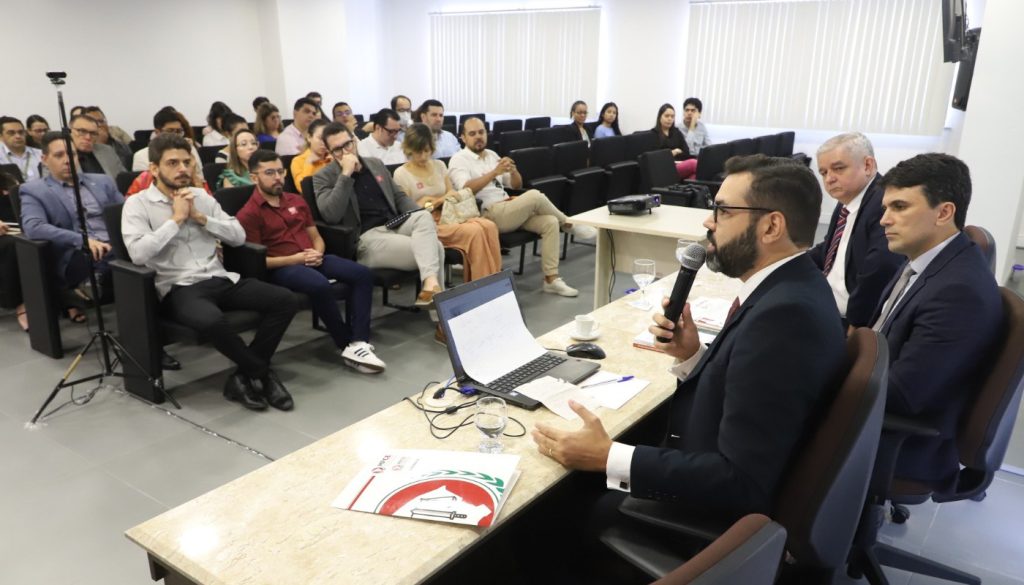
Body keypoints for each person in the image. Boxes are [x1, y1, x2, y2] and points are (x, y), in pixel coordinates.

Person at [533, 154, 846, 526]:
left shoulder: (785, 318)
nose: (708, 221)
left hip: (714, 517)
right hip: (711, 460)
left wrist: (608, 457)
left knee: (551, 508)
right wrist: (693, 355)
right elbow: (753, 395)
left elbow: (741, 480)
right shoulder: (793, 287)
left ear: (771, 226)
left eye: (723, 211)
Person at [122, 134, 298, 411]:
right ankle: (263, 373)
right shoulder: (137, 204)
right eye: (172, 163)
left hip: (219, 277)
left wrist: (200, 218)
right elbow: (138, 253)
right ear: (154, 169)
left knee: (285, 300)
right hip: (179, 287)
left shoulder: (201, 196)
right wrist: (176, 219)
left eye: (186, 162)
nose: (182, 168)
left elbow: (238, 236)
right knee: (213, 321)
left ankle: (243, 376)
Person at [872, 153, 1002, 489]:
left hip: (899, 443)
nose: (884, 219)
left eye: (899, 207)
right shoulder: (928, 257)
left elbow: (902, 395)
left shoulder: (959, 292)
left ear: (944, 212)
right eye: (886, 207)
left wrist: (819, 374)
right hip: (876, 411)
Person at [237, 150, 385, 374]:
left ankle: (358, 342)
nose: (277, 177)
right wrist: (296, 259)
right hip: (283, 266)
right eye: (269, 173)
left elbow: (315, 236)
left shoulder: (296, 200)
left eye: (280, 171)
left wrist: (317, 252)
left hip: (311, 257)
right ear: (254, 177)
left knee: (362, 274)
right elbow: (257, 262)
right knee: (319, 284)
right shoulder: (248, 214)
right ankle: (345, 343)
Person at [449, 117, 593, 297]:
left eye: (481, 132)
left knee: (549, 222)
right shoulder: (459, 159)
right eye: (472, 134)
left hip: (508, 208)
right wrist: (494, 172)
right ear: (463, 137)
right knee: (534, 195)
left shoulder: (492, 155)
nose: (478, 137)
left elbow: (516, 185)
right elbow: (465, 189)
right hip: (486, 214)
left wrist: (513, 170)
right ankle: (569, 223)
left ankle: (551, 279)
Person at [313, 123, 446, 310]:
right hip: (367, 238)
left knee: (423, 216)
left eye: (348, 145)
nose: (345, 152)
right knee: (436, 248)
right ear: (329, 152)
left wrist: (420, 220)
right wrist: (345, 174)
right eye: (337, 149)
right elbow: (331, 215)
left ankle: (430, 286)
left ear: (355, 141)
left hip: (394, 224)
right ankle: (440, 317)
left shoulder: (374, 164)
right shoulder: (323, 177)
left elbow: (398, 196)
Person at [20, 131, 123, 316]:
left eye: (72, 154)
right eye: (59, 155)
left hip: (114, 245)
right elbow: (33, 226)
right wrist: (82, 240)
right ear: (44, 159)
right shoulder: (34, 190)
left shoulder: (102, 182)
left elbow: (124, 212)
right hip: (77, 253)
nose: (67, 160)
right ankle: (90, 282)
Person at [808, 132, 901, 328]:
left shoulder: (884, 204)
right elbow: (830, 247)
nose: (829, 179)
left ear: (868, 165)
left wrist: (856, 323)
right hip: (825, 300)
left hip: (847, 318)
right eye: (824, 172)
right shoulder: (848, 200)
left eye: (838, 168)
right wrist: (789, 262)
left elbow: (880, 270)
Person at [393, 124, 502, 282]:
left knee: (489, 226)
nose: (424, 156)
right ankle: (481, 285)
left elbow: (452, 194)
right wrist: (436, 201)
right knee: (475, 232)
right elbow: (410, 212)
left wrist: (433, 202)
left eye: (427, 151)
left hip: (450, 215)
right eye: (418, 152)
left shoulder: (439, 166)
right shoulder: (401, 174)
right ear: (409, 150)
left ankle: (494, 280)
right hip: (427, 224)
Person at [1, 172, 26, 331]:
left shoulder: (6, 176)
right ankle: (20, 304)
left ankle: (66, 301)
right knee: (10, 246)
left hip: (12, 225)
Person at [68, 114, 126, 180]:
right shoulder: (61, 155)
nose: (88, 137)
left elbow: (124, 180)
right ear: (70, 131)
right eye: (82, 131)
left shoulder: (107, 151)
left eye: (93, 133)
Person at [653, 103, 696, 180]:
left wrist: (676, 154)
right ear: (660, 117)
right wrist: (672, 153)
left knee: (695, 176)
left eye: (672, 116)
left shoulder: (676, 132)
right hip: (664, 168)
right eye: (666, 116)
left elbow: (686, 151)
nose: (670, 119)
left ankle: (685, 191)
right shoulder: (653, 134)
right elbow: (655, 157)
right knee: (693, 163)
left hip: (679, 164)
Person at [290, 119, 330, 193]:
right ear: (309, 137)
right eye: (320, 138)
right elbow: (302, 189)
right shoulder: (298, 161)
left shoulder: (333, 158)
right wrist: (308, 163)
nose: (324, 143)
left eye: (327, 138)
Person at [0, 116, 43, 181]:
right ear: (1, 136)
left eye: (21, 132)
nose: (18, 136)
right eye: (11, 133)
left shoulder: (41, 154)